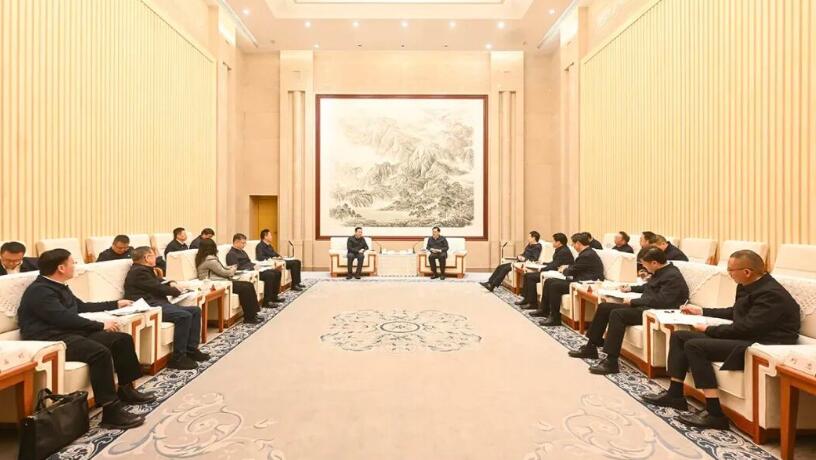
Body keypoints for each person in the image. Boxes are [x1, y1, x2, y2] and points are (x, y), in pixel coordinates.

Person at [641, 250, 800, 429]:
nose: (729, 274)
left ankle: (715, 414)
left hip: (762, 344)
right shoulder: (748, 285)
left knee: (695, 345)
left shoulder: (771, 294)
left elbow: (747, 328)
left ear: (747, 272)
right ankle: (675, 395)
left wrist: (709, 329)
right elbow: (736, 312)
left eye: (731, 270)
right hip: (748, 336)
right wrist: (702, 311)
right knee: (679, 336)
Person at [17, 249, 154, 429]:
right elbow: (62, 318)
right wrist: (100, 325)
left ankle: (126, 390)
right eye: (72, 263)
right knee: (99, 353)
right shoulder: (40, 291)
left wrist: (115, 304)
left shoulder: (58, 285)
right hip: (51, 339)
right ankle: (110, 410)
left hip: (68, 331)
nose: (75, 266)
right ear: (61, 268)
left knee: (122, 340)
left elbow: (80, 306)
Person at [568, 248, 689, 374]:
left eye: (644, 264)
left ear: (654, 263)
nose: (643, 267)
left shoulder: (672, 276)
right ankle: (591, 347)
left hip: (655, 311)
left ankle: (611, 361)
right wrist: (630, 288)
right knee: (604, 307)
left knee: (617, 314)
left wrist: (634, 302)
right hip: (646, 306)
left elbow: (662, 301)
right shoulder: (662, 271)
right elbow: (649, 287)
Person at [124, 247, 208, 370]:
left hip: (157, 302)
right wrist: (176, 291)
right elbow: (158, 288)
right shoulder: (138, 272)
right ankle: (178, 358)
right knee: (183, 316)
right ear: (147, 258)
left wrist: (171, 283)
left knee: (195, 310)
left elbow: (159, 282)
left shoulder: (144, 270)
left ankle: (191, 350)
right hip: (149, 306)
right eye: (153, 255)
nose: (156, 258)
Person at [538, 232, 605, 326]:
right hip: (579, 279)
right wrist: (567, 268)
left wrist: (563, 269)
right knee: (549, 281)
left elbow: (571, 271)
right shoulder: (586, 253)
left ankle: (555, 318)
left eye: (573, 244)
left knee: (554, 286)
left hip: (585, 283)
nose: (573, 246)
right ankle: (544, 310)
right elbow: (576, 267)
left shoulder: (586, 255)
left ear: (578, 243)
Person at [195, 239, 262, 324]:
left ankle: (252, 314)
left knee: (248, 285)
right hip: (217, 284)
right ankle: (249, 317)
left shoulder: (204, 258)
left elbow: (220, 269)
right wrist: (233, 269)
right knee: (246, 287)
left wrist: (230, 268)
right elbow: (224, 273)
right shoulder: (209, 260)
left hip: (219, 281)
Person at [516, 233, 574, 309]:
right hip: (553, 270)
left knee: (531, 277)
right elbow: (554, 263)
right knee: (527, 275)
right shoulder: (560, 249)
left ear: (558, 242)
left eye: (553, 241)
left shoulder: (564, 251)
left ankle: (533, 303)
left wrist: (542, 268)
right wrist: (543, 263)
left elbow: (554, 266)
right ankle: (526, 299)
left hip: (558, 273)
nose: (552, 243)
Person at [228, 233, 284, 306]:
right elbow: (236, 268)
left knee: (277, 272)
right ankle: (267, 301)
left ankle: (274, 297)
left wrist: (255, 265)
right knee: (270, 275)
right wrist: (252, 267)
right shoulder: (231, 254)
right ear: (236, 242)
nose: (244, 245)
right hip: (249, 273)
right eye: (243, 243)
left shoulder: (242, 251)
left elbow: (248, 262)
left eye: (245, 243)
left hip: (254, 269)